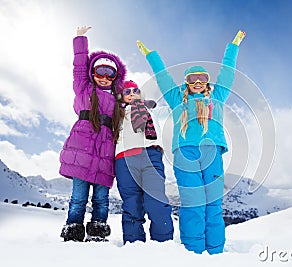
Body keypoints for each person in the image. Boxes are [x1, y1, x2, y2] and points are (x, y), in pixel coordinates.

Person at [136, 30, 246, 254]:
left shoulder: (217, 97)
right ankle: (193, 252)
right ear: (186, 82)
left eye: (202, 78)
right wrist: (151, 55)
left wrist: (233, 46)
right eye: (192, 79)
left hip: (212, 153)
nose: (197, 82)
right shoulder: (177, 99)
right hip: (185, 154)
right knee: (193, 203)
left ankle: (215, 251)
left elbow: (227, 74)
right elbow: (163, 77)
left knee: (213, 205)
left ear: (207, 83)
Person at [59, 26, 126, 242]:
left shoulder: (118, 100)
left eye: (110, 73)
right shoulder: (84, 89)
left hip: (105, 155)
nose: (105, 77)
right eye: (100, 72)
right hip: (82, 152)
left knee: (101, 198)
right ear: (93, 73)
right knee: (78, 197)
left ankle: (97, 231)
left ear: (115, 77)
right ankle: (73, 229)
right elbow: (79, 65)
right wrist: (80, 39)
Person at [115, 80, 174, 244]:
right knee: (131, 204)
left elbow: (174, 108)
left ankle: (163, 245)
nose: (132, 93)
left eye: (136, 90)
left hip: (150, 155)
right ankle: (134, 246)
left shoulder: (151, 109)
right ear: (121, 96)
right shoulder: (116, 113)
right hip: (124, 159)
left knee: (156, 202)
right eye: (127, 92)